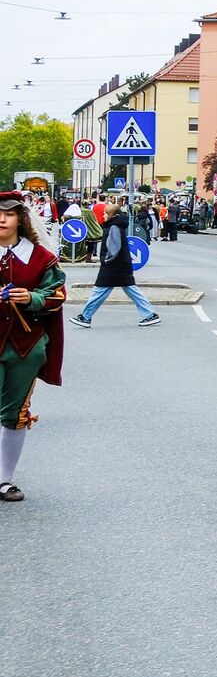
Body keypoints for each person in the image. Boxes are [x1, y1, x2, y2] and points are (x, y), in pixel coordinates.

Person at [0, 194, 66, 502]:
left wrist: (32, 298)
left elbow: (57, 295)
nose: (2, 219)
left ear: (20, 219)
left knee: (15, 413)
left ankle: (4, 480)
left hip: (25, 346)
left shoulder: (40, 257)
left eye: (9, 214)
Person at [74, 205, 160, 328]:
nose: (103, 215)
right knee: (131, 290)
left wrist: (106, 260)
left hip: (113, 266)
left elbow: (113, 248)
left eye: (105, 213)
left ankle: (85, 317)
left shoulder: (113, 227)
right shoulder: (117, 226)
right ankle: (150, 314)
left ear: (111, 215)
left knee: (99, 291)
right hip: (121, 265)